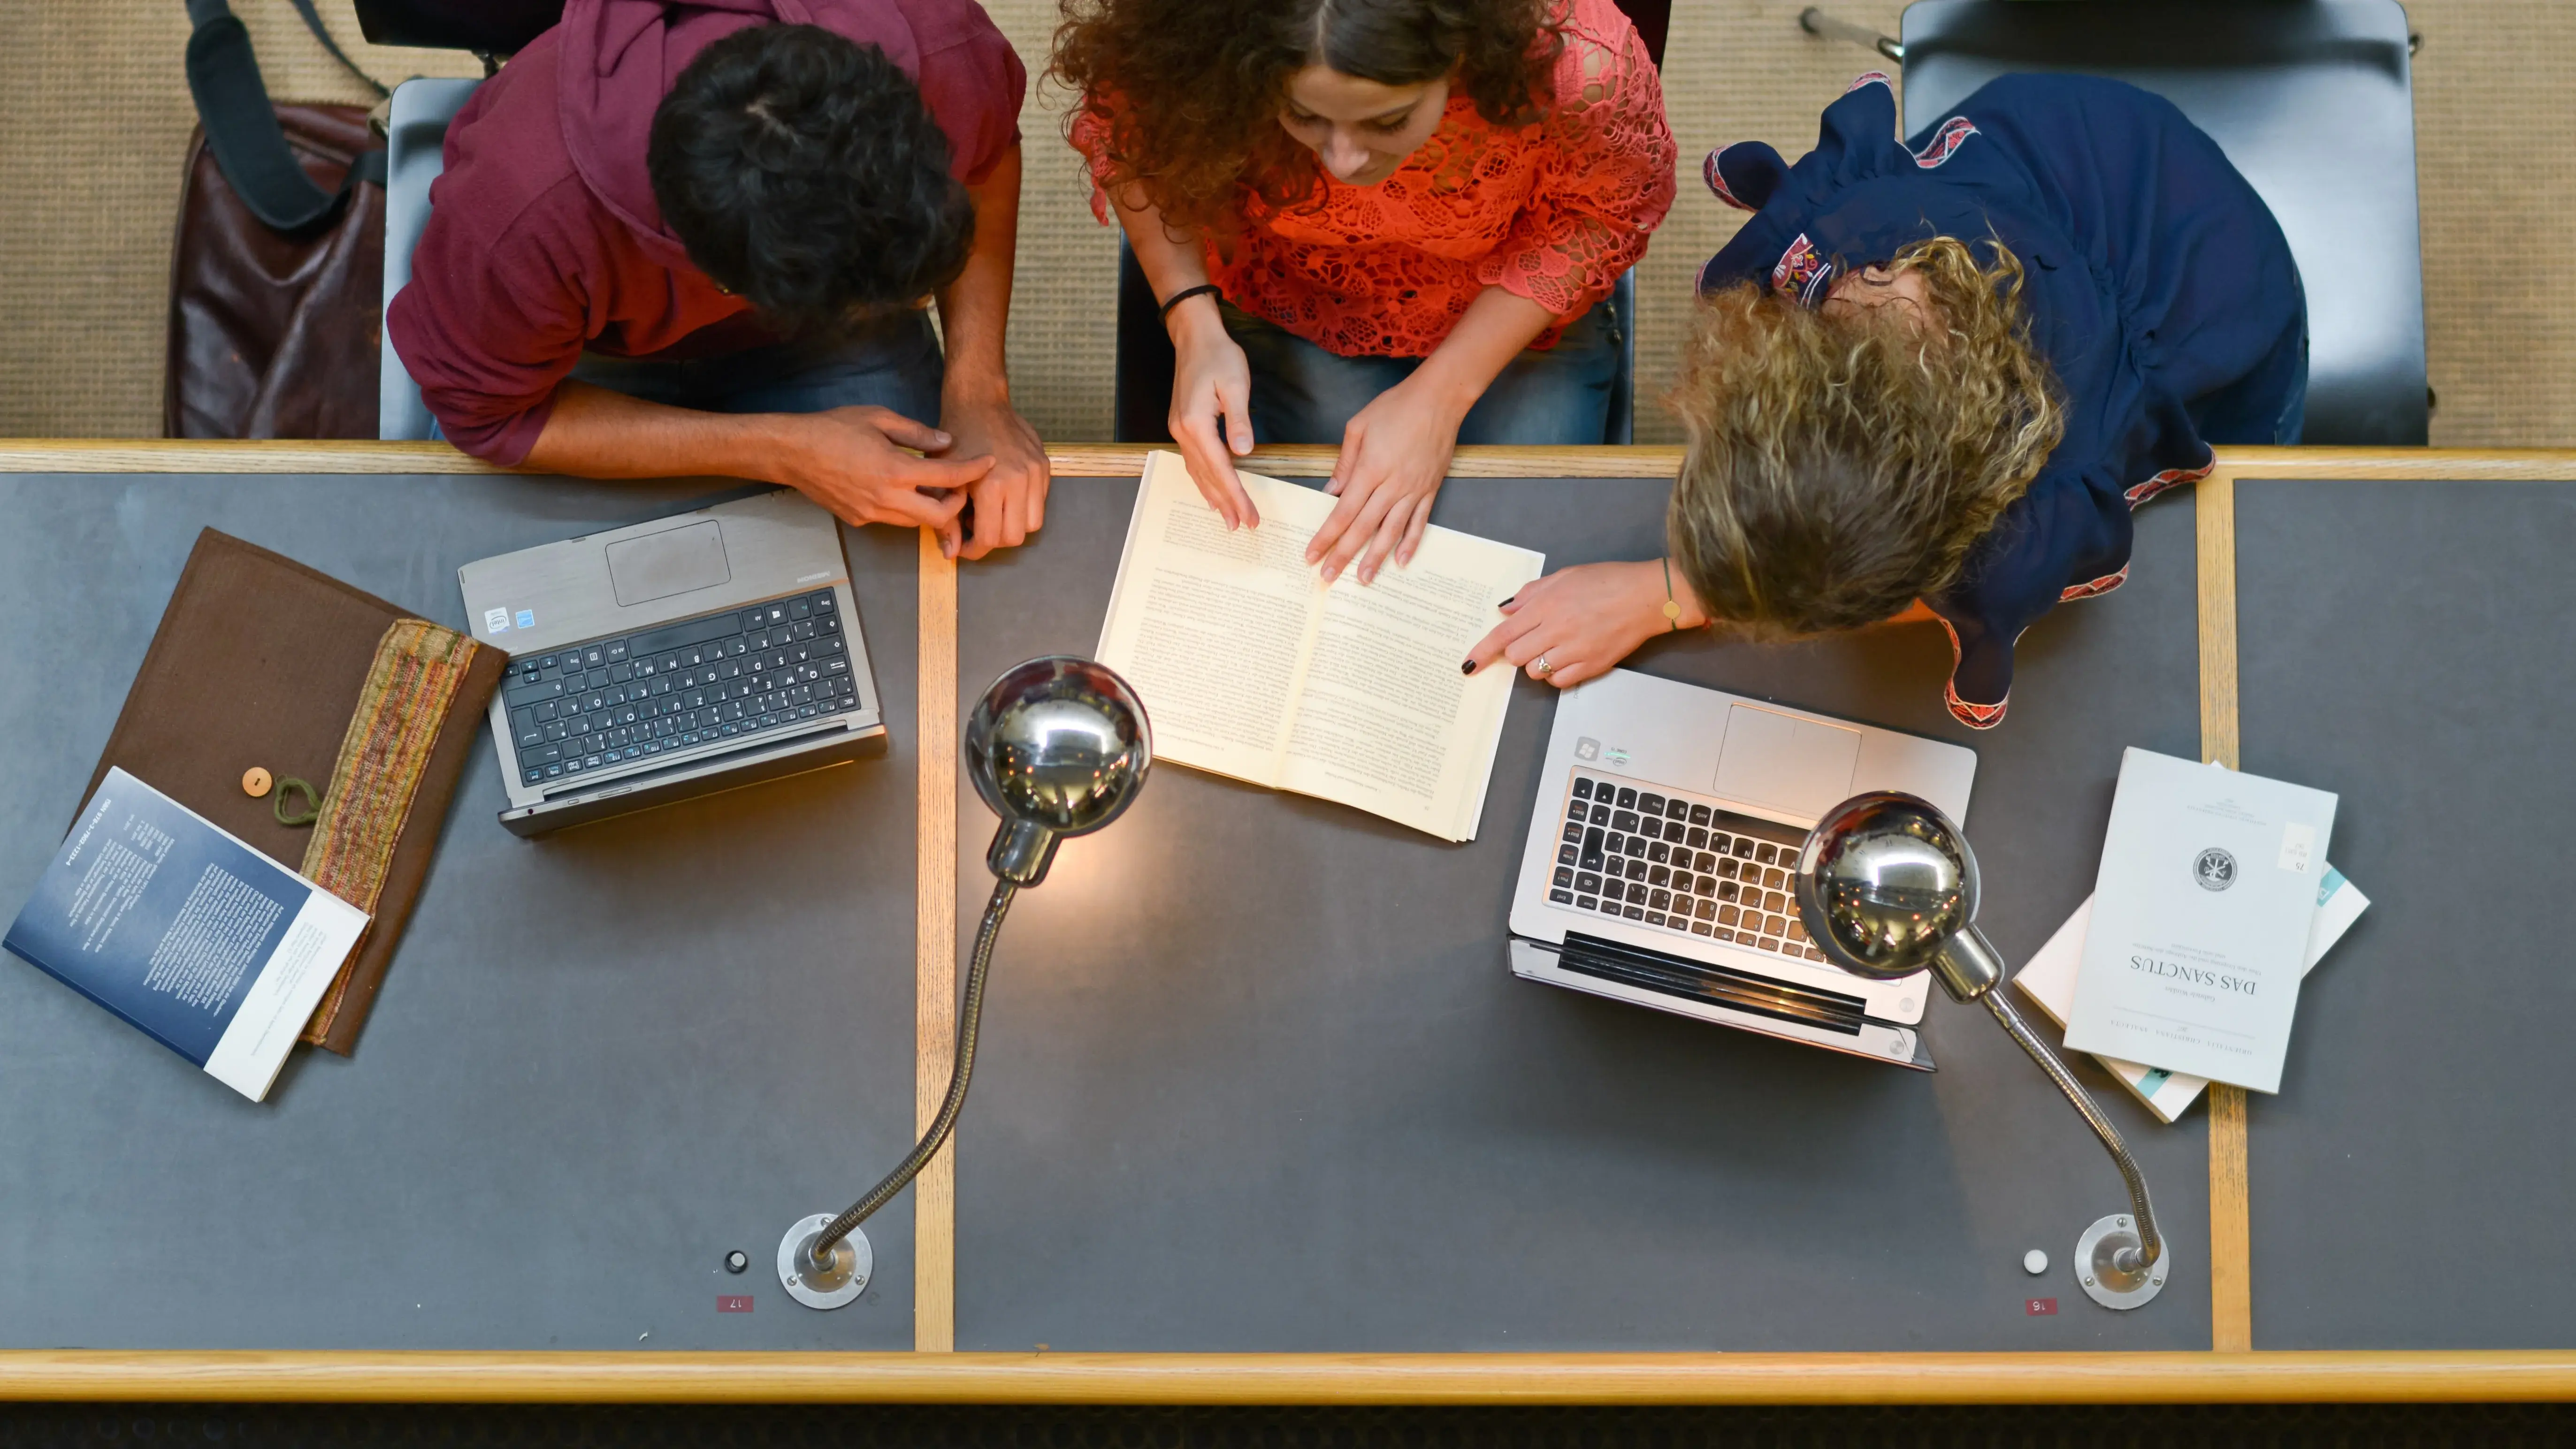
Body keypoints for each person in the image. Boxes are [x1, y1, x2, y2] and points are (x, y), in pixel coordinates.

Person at [1466, 73, 2308, 728]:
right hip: (2071, 153)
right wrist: (1679, 585)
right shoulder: (1834, 245)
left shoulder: (2055, 482)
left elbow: (1949, 582)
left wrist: (1675, 596)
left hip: (2207, 276)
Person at [387, 0, 1048, 561]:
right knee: (541, 592)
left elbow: (988, 162)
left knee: (918, 547)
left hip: (806, 306)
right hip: (579, 358)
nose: (922, 304)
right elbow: (490, 416)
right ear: (723, 282)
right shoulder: (524, 209)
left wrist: (979, 391)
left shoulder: (936, 43)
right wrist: (782, 450)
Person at [1055, 0, 1676, 584]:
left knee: (1513, 555)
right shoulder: (1195, 39)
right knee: (1315, 558)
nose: (1344, 161)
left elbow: (1601, 217)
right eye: (1304, 116)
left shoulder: (1579, 64)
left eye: (1388, 120)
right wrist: (1192, 326)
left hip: (1519, 302)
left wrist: (1441, 395)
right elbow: (1136, 147)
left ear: (1464, 54)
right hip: (1296, 289)